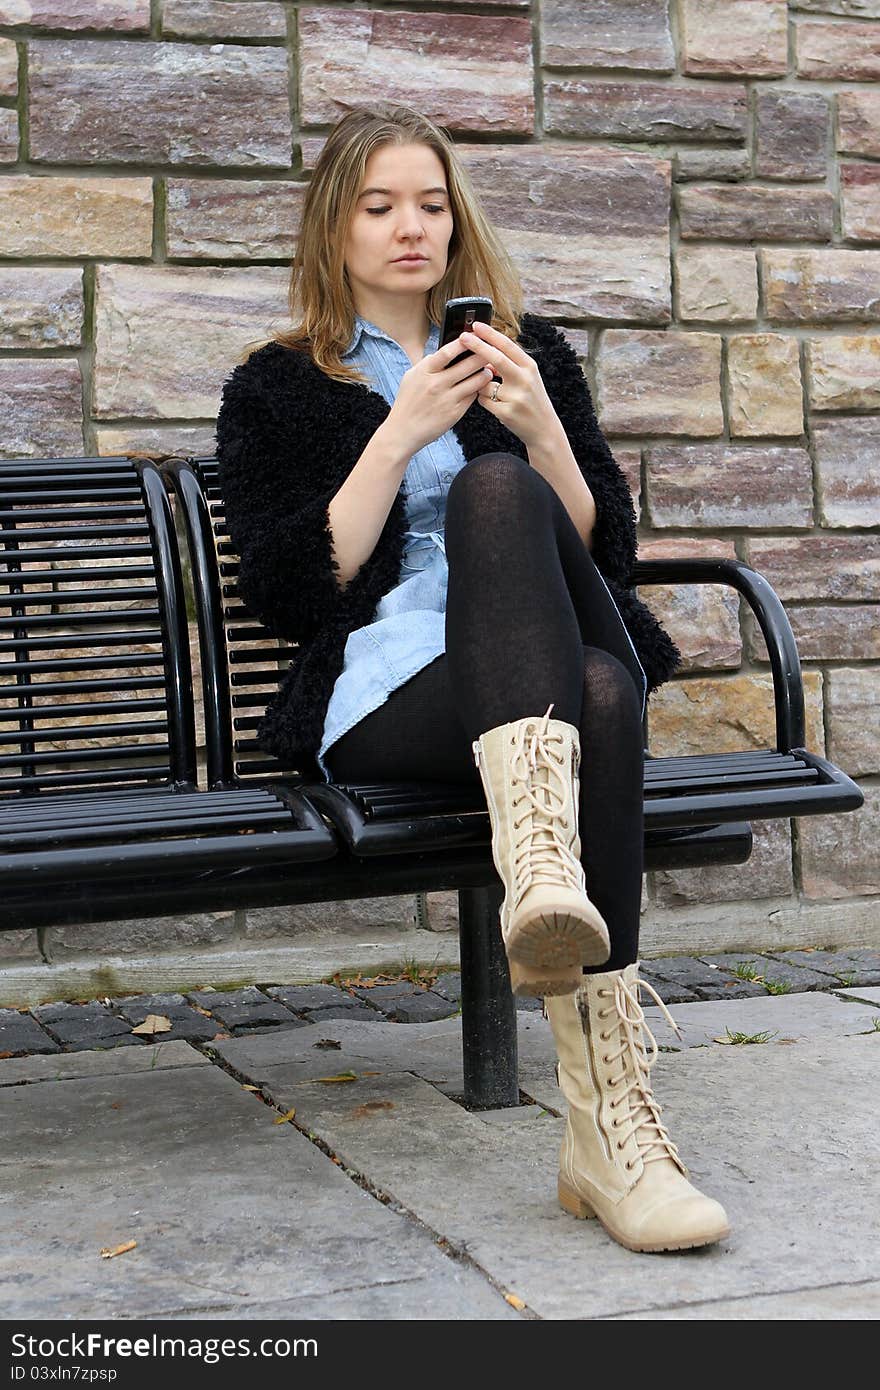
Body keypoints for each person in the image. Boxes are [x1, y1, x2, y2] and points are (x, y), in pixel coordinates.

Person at [215, 103, 730, 1254]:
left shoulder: (529, 350)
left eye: (431, 203)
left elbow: (600, 559)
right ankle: (607, 1121)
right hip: (396, 691)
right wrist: (396, 434)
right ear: (333, 228)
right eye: (379, 205)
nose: (411, 227)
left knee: (531, 540)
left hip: (538, 661)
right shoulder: (280, 385)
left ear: (457, 218)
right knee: (595, 687)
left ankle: (587, 1034)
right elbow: (290, 589)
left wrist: (540, 427)